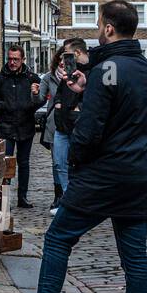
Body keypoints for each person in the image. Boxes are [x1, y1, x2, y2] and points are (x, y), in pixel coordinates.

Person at [3, 0, 147, 293]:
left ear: (107, 28)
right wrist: (89, 87)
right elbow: (130, 106)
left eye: (99, 23)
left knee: (59, 237)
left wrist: (75, 159)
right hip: (140, 174)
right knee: (135, 260)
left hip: (103, 174)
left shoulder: (107, 66)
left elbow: (89, 129)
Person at [0, 45, 42, 208]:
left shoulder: (32, 78)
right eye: (10, 59)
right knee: (4, 163)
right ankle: (3, 197)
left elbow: (42, 98)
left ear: (23, 60)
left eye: (16, 59)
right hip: (5, 126)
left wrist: (32, 105)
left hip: (26, 125)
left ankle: (23, 197)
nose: (12, 62)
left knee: (24, 163)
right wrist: (2, 105)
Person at [47, 38, 90, 216]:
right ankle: (67, 200)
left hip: (77, 126)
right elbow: (60, 92)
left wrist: (78, 106)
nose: (63, 59)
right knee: (59, 164)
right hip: (61, 125)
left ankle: (79, 202)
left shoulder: (92, 71)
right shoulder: (68, 72)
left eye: (66, 54)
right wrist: (58, 103)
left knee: (77, 165)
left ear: (77, 53)